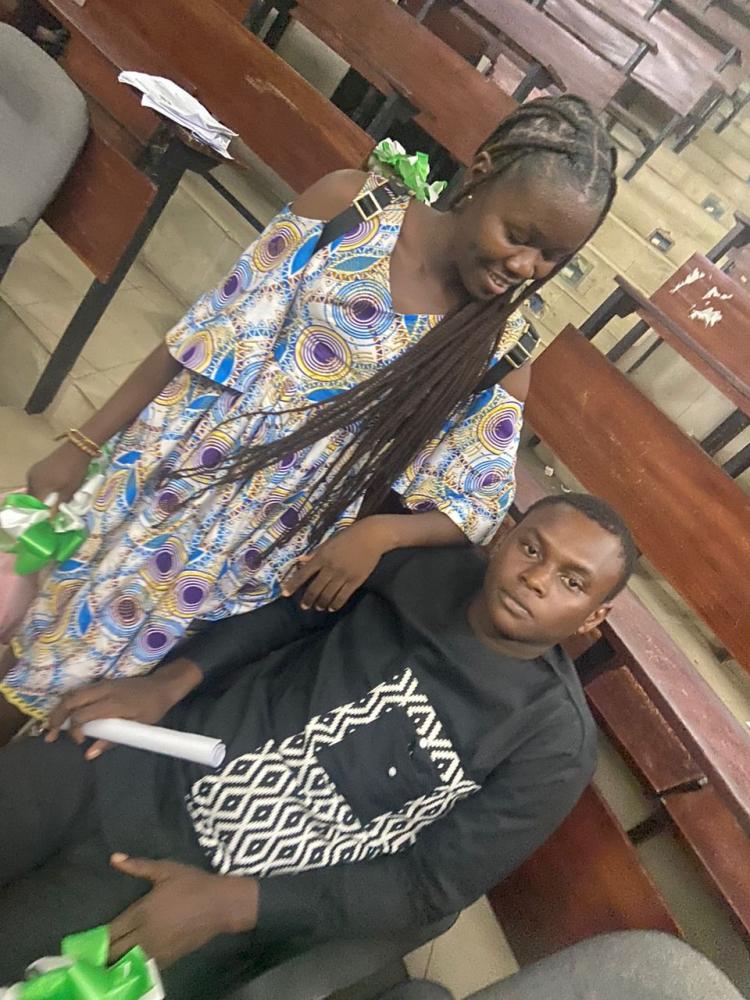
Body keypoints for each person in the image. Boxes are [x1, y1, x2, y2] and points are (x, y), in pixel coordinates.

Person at [0, 96, 617, 737]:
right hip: (166, 470)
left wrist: (380, 535)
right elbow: (201, 335)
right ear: (481, 172)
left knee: (98, 704)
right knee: (36, 623)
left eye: (552, 257)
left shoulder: (501, 354)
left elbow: (476, 504)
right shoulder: (351, 209)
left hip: (255, 544)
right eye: (517, 235)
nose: (525, 266)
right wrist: (83, 442)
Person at [0, 493, 637, 997]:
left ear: (594, 617)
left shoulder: (551, 745)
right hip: (145, 756)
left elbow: (428, 886)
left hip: (202, 886)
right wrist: (167, 684)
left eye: (572, 581)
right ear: (505, 538)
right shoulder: (425, 571)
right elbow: (291, 614)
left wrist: (232, 904)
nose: (536, 579)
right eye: (532, 549)